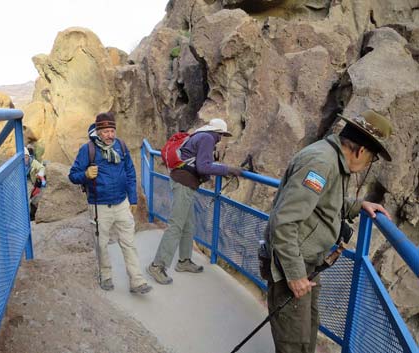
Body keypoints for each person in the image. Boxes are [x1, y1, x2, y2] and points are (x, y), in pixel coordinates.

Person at [264, 109, 393, 353]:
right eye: (372, 159)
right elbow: (285, 221)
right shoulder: (321, 163)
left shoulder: (332, 160)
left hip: (308, 263)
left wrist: (358, 205)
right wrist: (294, 274)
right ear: (361, 150)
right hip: (294, 265)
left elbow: (322, 202)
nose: (369, 164)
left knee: (308, 330)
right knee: (294, 342)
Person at [147, 118, 244, 285]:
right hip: (184, 184)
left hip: (183, 182)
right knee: (176, 225)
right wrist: (228, 169)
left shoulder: (198, 136)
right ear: (218, 132)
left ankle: (184, 261)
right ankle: (157, 266)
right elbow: (203, 167)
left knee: (188, 224)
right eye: (221, 135)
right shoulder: (208, 138)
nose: (221, 139)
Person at [69, 111, 152, 295]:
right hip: (99, 205)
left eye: (112, 130)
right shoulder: (88, 150)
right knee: (102, 243)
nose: (110, 135)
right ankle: (105, 275)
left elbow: (130, 173)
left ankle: (137, 280)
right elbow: (72, 175)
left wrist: (132, 198)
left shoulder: (121, 146)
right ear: (98, 132)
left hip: (121, 203)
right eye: (106, 131)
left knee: (129, 242)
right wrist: (85, 175)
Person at [24, 146, 46, 220]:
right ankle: (26, 215)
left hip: (30, 180)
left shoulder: (32, 161)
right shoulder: (19, 165)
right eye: (23, 158)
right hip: (21, 181)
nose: (25, 160)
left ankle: (28, 216)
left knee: (28, 195)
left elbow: (42, 167)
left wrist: (40, 174)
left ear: (29, 156)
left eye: (26, 157)